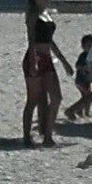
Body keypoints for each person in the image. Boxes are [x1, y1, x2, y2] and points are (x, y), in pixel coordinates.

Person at [22, 19, 63, 147]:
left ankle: (48, 135)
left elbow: (49, 40)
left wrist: (63, 60)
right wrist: (33, 62)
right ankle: (27, 136)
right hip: (35, 57)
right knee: (33, 99)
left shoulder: (47, 14)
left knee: (56, 97)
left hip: (47, 58)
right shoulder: (33, 14)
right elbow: (31, 40)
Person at [66, 30, 92, 119]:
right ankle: (77, 111)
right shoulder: (84, 56)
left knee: (87, 96)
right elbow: (77, 65)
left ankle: (83, 111)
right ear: (83, 47)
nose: (91, 48)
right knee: (88, 95)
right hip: (81, 80)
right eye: (89, 46)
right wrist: (84, 68)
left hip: (87, 80)